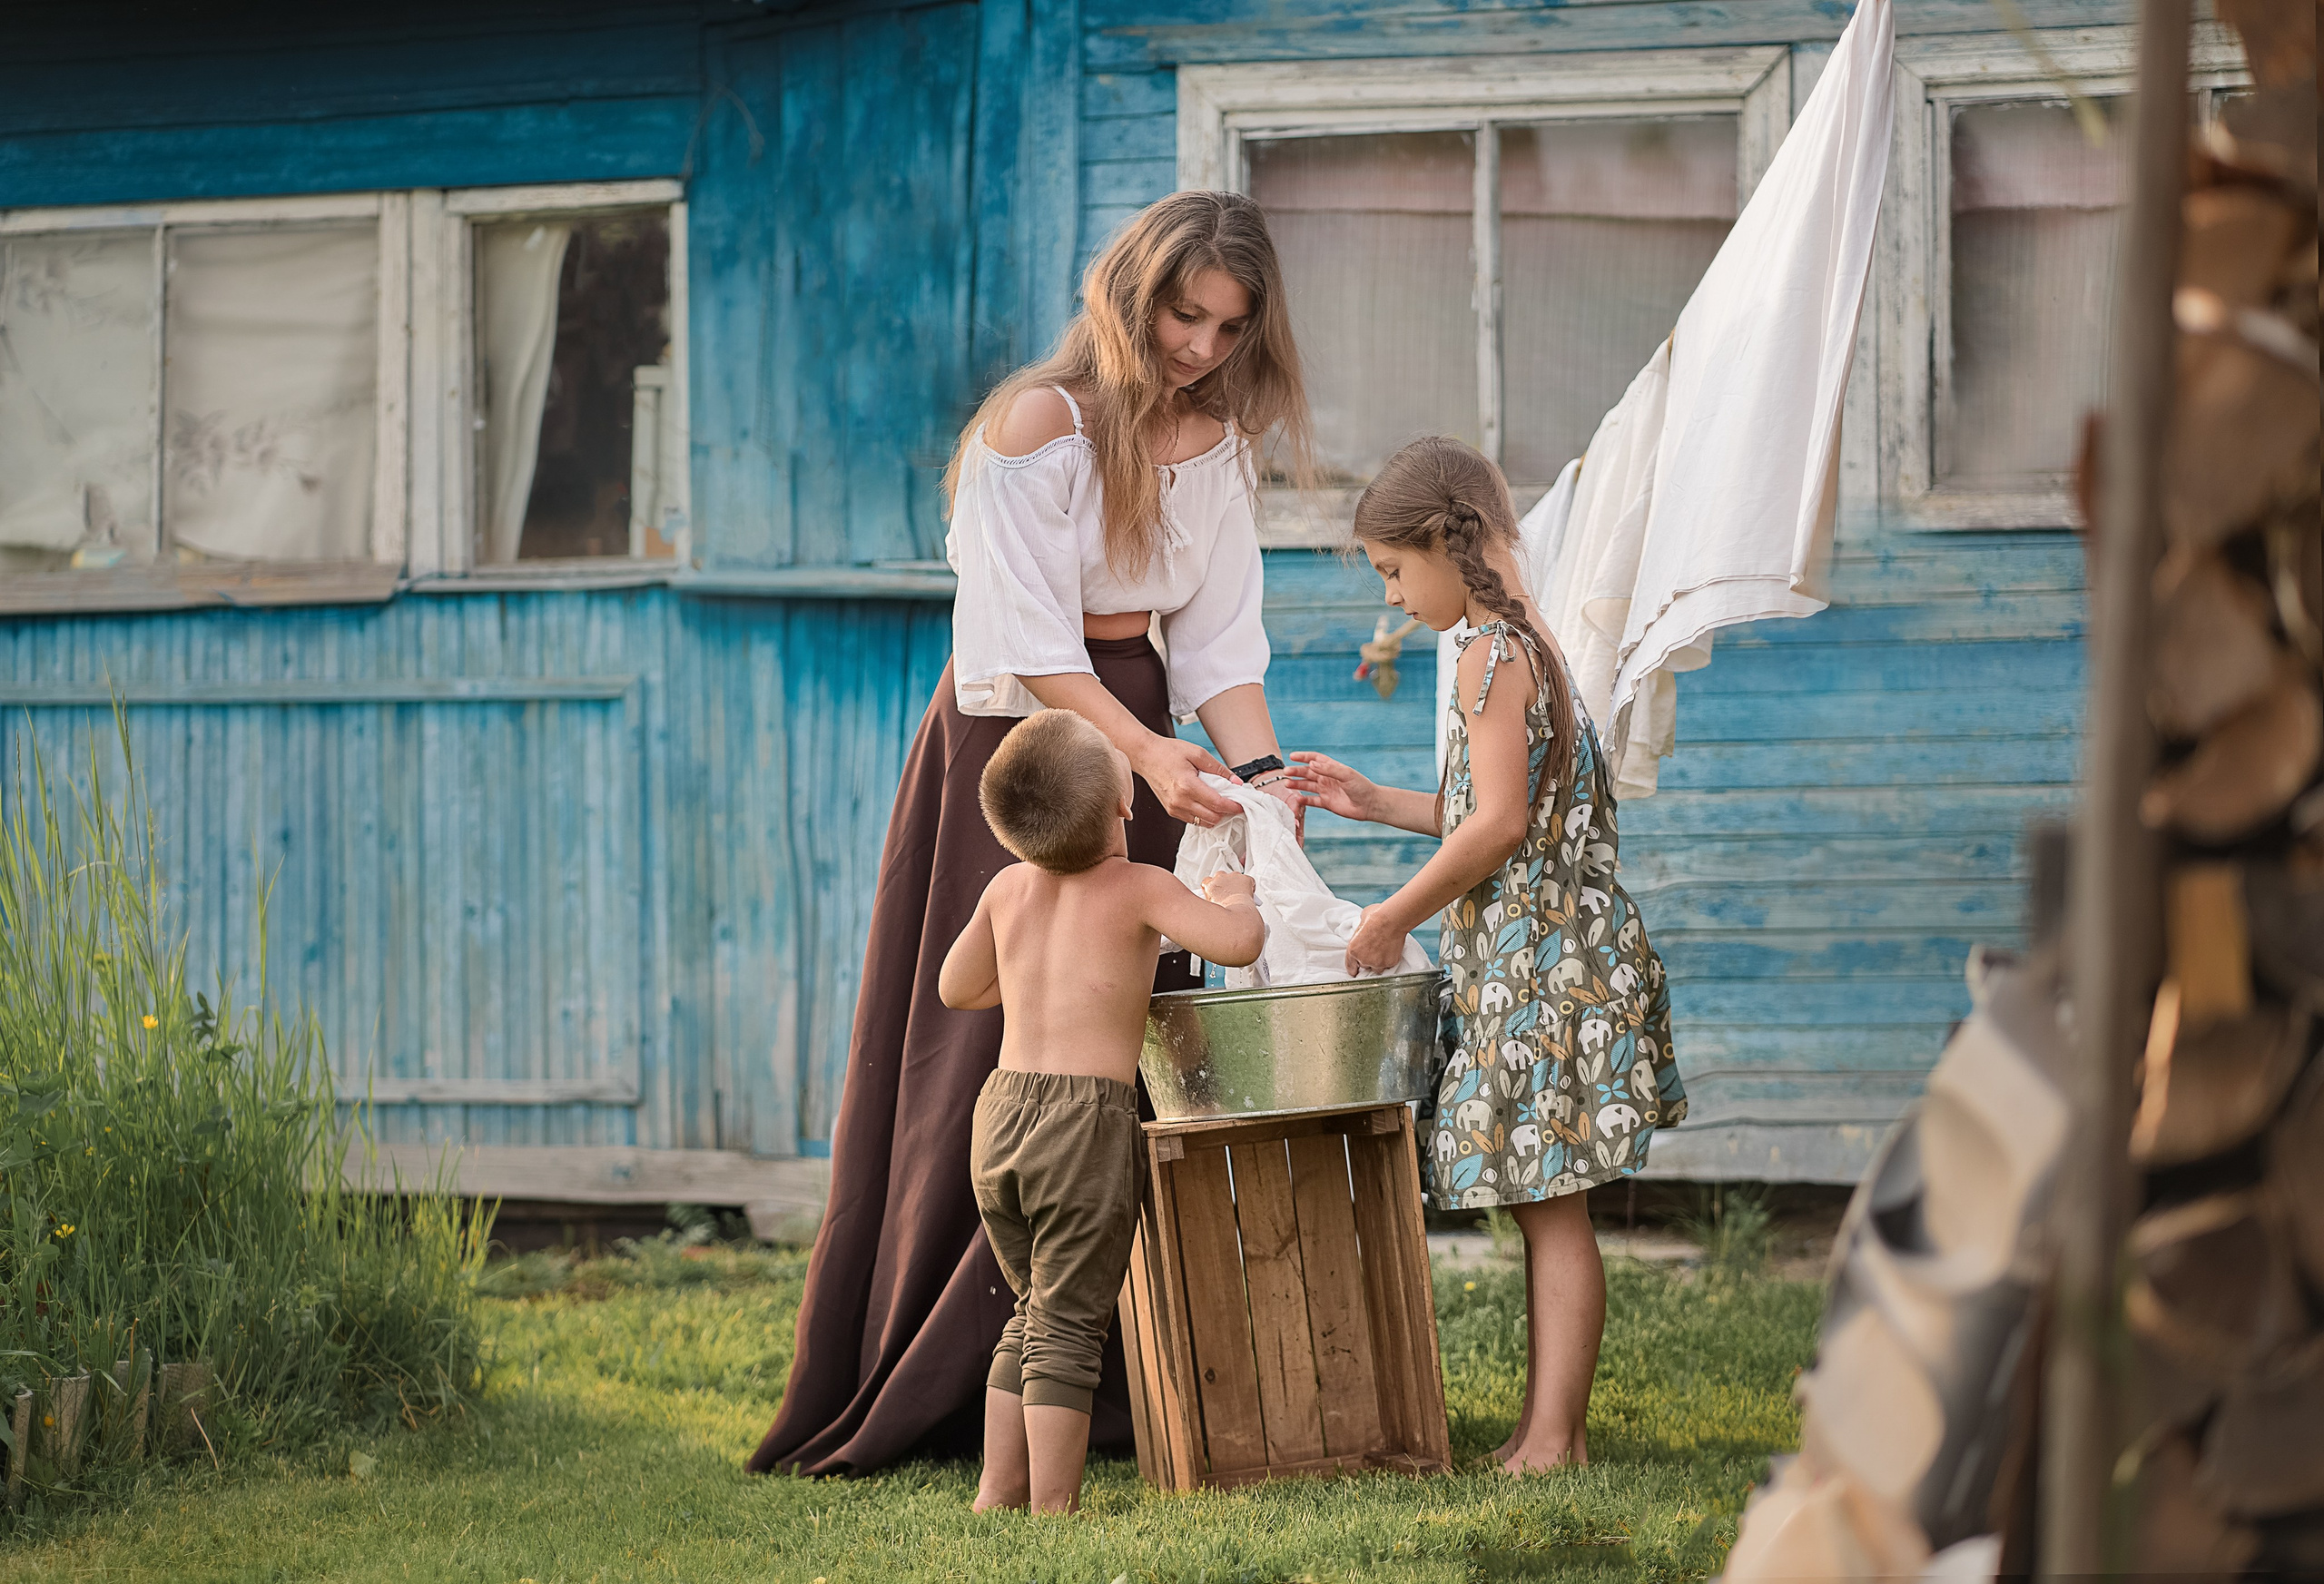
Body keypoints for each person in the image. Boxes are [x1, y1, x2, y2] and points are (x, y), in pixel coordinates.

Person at [748, 190, 1314, 1477]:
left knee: (1129, 1018)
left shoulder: (1215, 444)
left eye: (1230, 328)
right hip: (1020, 743)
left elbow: (1218, 640)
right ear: (1132, 289)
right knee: (990, 1038)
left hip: (1139, 737)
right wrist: (1145, 752)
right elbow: (1030, 645)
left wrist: (1261, 773)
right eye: (1186, 314)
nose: (1202, 347)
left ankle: (1116, 1372)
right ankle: (933, 1365)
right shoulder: (1033, 426)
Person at [1286, 437, 1688, 1472]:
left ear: (1438, 542)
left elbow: (1498, 825)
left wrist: (1388, 915)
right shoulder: (1526, 639)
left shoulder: (1484, 652)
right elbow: (1497, 811)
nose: (1390, 595)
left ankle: (1553, 1437)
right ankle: (1546, 1427)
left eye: (1390, 570)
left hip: (1541, 968)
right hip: (1556, 951)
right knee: (1543, 1208)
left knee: (1551, 1215)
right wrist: (1372, 800)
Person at [940, 710, 1265, 1512]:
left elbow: (956, 987)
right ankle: (1053, 1504)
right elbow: (1236, 945)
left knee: (1034, 1310)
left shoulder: (1007, 887)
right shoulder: (1140, 887)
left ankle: (998, 1489)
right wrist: (1238, 893)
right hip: (1081, 1126)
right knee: (1070, 1325)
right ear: (1125, 803)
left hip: (1002, 1118)